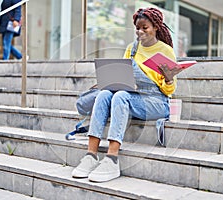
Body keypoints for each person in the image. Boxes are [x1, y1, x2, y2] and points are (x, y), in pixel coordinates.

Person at [72, 7, 183, 182]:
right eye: (137, 28)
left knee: (120, 96)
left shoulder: (165, 51)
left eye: (144, 28)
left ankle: (112, 158)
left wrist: (169, 79)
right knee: (104, 94)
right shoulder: (132, 48)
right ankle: (91, 155)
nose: (140, 32)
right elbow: (123, 77)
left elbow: (169, 91)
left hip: (157, 101)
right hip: (134, 95)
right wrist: (109, 81)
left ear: (155, 27)